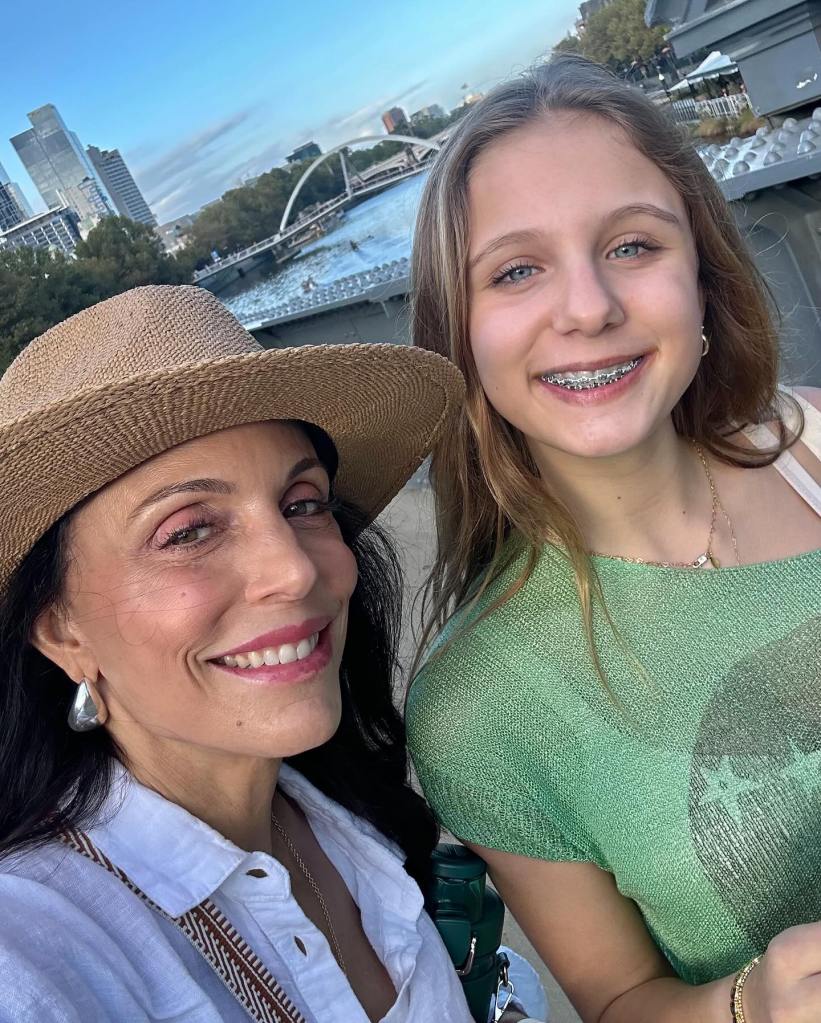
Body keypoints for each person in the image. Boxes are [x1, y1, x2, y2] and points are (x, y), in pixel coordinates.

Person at [407, 54, 821, 1023]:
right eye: (514, 271)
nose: (587, 307)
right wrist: (746, 1006)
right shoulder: (473, 706)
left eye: (631, 246)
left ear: (703, 279)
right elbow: (618, 996)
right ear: (457, 333)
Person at [0, 284, 475, 1023]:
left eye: (303, 503)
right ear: (61, 629)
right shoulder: (37, 949)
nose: (294, 569)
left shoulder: (350, 818)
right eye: (188, 531)